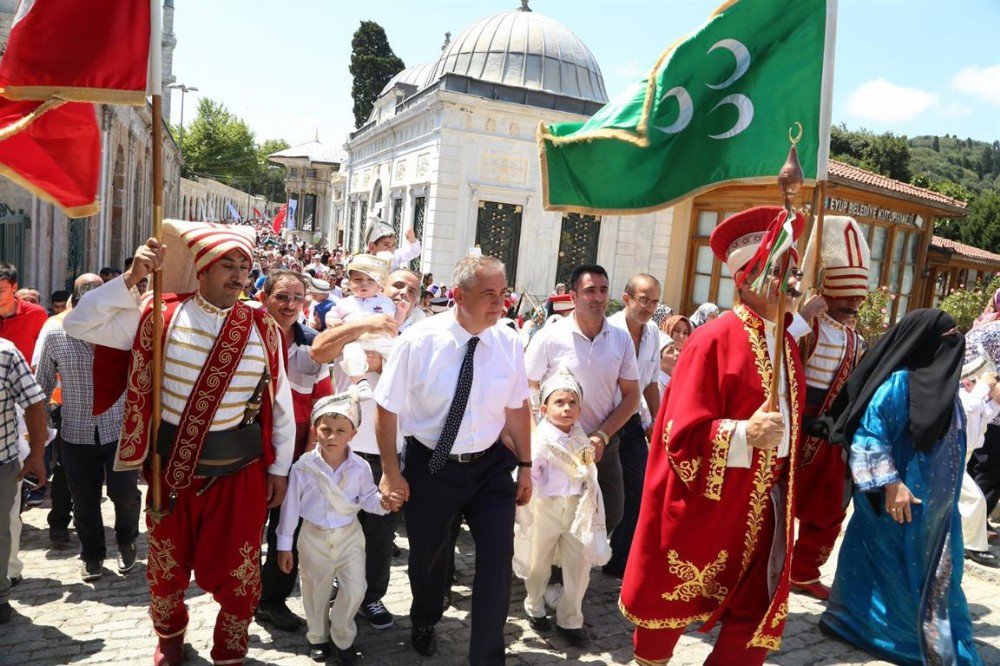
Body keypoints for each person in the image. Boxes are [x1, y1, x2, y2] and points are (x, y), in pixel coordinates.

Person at [64, 221, 296, 665]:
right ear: (202, 270)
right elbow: (80, 322)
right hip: (174, 472)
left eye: (244, 268)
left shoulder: (262, 327)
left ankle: (230, 651)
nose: (237, 276)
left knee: (242, 576)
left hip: (241, 475)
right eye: (227, 266)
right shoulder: (159, 315)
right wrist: (131, 278)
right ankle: (170, 641)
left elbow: (279, 405)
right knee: (166, 571)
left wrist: (280, 469)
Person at [621, 206, 807, 665]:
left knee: (756, 611)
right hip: (706, 500)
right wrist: (744, 433)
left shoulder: (787, 346)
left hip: (763, 504)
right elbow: (677, 433)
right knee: (666, 610)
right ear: (746, 278)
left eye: (795, 268)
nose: (794, 280)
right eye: (781, 268)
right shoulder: (712, 340)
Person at [374, 254, 533, 663]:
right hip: (432, 466)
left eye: (503, 293)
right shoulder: (419, 341)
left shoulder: (510, 341)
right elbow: (386, 406)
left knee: (497, 561)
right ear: (458, 296)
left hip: (490, 469)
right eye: (488, 294)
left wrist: (527, 465)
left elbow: (517, 406)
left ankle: (486, 656)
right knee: (427, 560)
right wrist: (391, 473)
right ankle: (425, 616)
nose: (500, 303)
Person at [816, 309, 982, 665]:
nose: (956, 343)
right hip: (897, 505)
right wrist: (891, 484)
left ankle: (907, 632)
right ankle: (871, 629)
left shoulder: (945, 389)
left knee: (933, 574)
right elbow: (868, 439)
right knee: (888, 568)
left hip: (936, 512)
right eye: (948, 336)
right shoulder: (899, 385)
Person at [309, 268, 422, 631]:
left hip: (385, 450)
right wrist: (365, 324)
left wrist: (382, 361)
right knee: (333, 525)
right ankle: (331, 590)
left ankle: (371, 597)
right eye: (397, 286)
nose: (404, 294)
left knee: (379, 532)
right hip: (341, 446)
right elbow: (319, 351)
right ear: (380, 293)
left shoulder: (415, 334)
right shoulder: (349, 318)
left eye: (413, 290)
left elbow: (419, 384)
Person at [276, 390, 402, 664]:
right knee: (314, 590)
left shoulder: (359, 467)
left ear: (353, 434)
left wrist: (384, 504)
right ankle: (318, 638)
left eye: (340, 430)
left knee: (355, 588)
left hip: (349, 536)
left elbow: (368, 498)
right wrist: (284, 545)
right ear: (315, 430)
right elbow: (291, 509)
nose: (332, 436)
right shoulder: (303, 467)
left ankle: (342, 636)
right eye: (326, 429)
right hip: (313, 537)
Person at [36, 275, 141, 582]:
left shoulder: (123, 333)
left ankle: (126, 541)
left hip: (119, 430)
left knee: (126, 495)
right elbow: (41, 384)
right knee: (84, 500)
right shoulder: (55, 334)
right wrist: (38, 427)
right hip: (75, 431)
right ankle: (92, 554)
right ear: (77, 307)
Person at [525, 264, 639, 542]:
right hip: (558, 445)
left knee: (612, 510)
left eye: (603, 290)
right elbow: (525, 386)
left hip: (603, 440)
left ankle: (579, 562)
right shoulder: (549, 337)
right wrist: (539, 432)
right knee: (554, 514)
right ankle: (555, 576)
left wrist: (602, 435)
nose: (598, 298)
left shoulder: (620, 338)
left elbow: (632, 396)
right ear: (573, 297)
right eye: (590, 291)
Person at [791, 215, 870, 599]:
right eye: (848, 296)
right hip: (792, 425)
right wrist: (804, 315)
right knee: (772, 500)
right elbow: (782, 353)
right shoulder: (810, 324)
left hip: (830, 430)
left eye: (859, 297)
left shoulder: (856, 338)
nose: (855, 303)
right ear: (828, 292)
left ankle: (803, 571)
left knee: (827, 507)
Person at [256, 271, 334, 631]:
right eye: (282, 297)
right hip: (250, 452)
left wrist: (302, 464)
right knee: (244, 530)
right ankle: (240, 596)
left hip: (296, 454)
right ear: (264, 297)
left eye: (297, 298)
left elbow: (322, 408)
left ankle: (272, 600)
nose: (289, 306)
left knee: (286, 531)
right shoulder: (246, 339)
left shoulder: (314, 345)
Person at [515, 366, 609, 646]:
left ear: (580, 410)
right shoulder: (540, 442)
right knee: (538, 562)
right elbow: (530, 476)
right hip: (545, 508)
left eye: (572, 403)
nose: (567, 408)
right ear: (544, 409)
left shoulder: (582, 439)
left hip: (577, 510)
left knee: (579, 566)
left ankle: (570, 619)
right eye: (559, 402)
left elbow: (589, 474)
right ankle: (534, 605)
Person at [604, 274, 662, 578]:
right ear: (627, 298)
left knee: (639, 490)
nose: (649, 307)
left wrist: (658, 420)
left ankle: (619, 560)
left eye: (654, 301)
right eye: (644, 299)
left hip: (634, 422)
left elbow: (650, 380)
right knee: (604, 494)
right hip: (604, 422)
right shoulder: (608, 330)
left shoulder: (652, 332)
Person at [0, 338, 47, 624]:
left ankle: (0, 594)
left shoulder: (5, 353)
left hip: (1, 463)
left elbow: (33, 403)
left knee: (1, 531)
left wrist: (38, 454)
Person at [957, 354, 1000, 568]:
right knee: (975, 499)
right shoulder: (962, 395)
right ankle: (973, 546)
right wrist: (984, 387)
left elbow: (986, 414)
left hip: (964, 454)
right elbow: (970, 408)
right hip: (953, 454)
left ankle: (961, 541)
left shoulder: (977, 398)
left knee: (962, 500)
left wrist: (994, 397)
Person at [964, 320, 1000, 541]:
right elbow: (971, 366)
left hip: (992, 412)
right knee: (985, 470)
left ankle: (978, 523)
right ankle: (971, 532)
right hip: (989, 415)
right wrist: (993, 389)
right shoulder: (991, 332)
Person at [0, 262, 49, 363]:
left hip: (26, 377)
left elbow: (48, 352)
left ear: (14, 287)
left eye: (0, 290)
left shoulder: (36, 314)